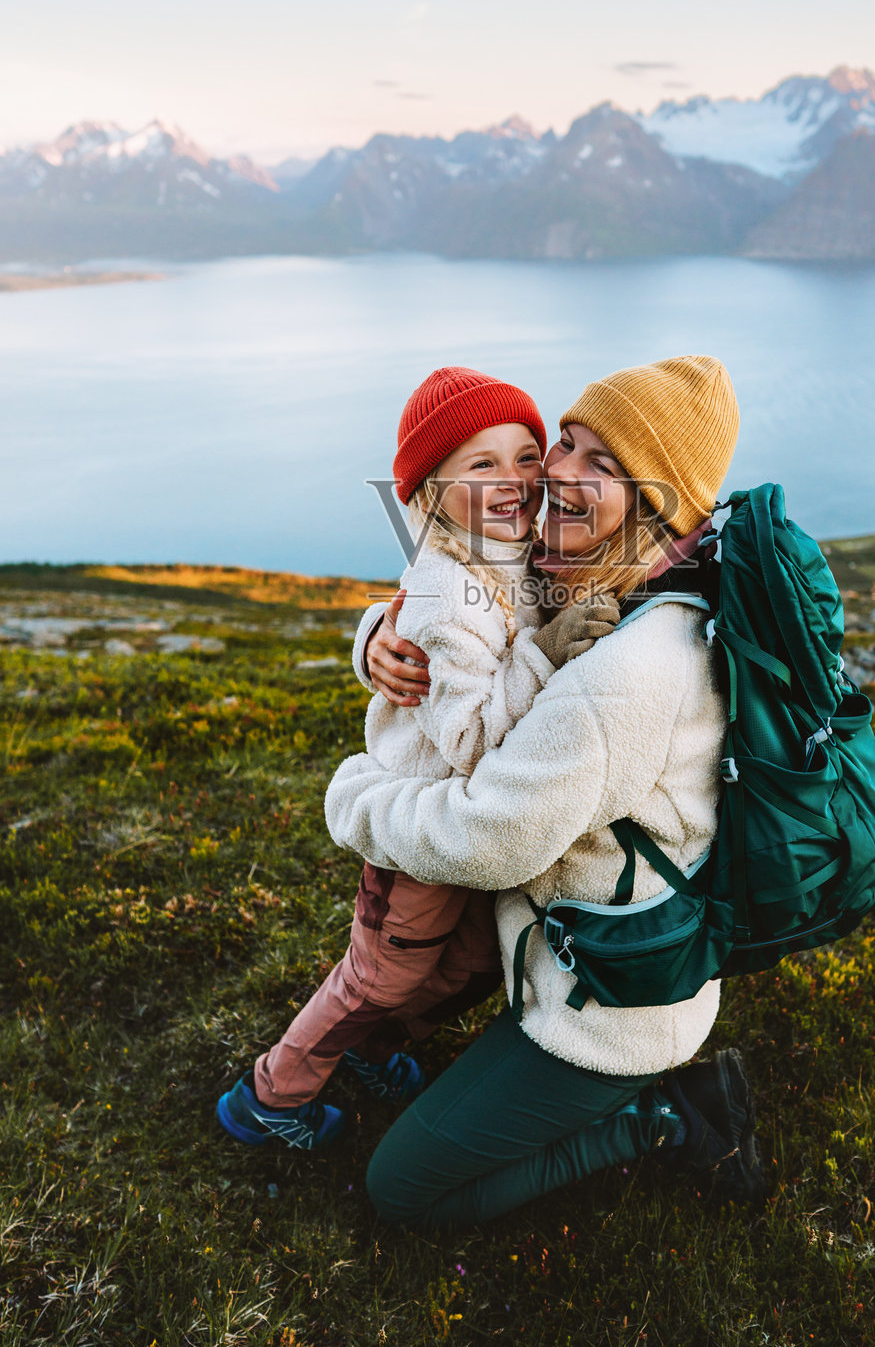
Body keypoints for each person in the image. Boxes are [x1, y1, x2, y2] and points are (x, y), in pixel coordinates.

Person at [326, 355, 766, 1230]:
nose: (557, 473)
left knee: (402, 1190)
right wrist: (375, 634)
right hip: (556, 958)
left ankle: (664, 1116)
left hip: (605, 1013)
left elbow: (490, 838)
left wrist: (354, 799)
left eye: (602, 465)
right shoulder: (608, 577)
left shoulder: (636, 667)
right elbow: (460, 588)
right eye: (564, 441)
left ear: (654, 504)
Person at [217, 366, 617, 1149]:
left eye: (527, 455)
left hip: (472, 827)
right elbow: (467, 739)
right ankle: (270, 1095)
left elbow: (426, 612)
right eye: (480, 465)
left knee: (471, 961)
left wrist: (372, 637)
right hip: (422, 830)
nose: (515, 481)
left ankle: (372, 1050)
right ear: (430, 495)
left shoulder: (509, 548)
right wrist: (543, 654)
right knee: (381, 977)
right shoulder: (448, 584)